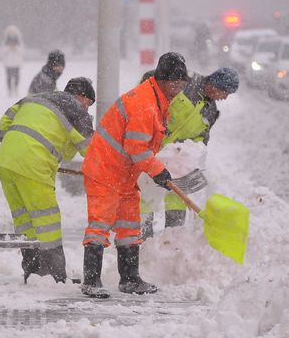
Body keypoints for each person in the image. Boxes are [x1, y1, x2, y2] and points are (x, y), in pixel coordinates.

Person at [80, 52, 189, 299]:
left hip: (124, 174)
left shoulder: (157, 99)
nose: (179, 88)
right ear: (161, 79)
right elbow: (136, 147)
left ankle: (130, 279)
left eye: (182, 83)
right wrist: (158, 171)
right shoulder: (144, 103)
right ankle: (91, 280)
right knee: (100, 225)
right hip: (105, 170)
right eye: (175, 82)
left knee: (130, 226)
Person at [0, 77, 96, 284]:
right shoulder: (75, 109)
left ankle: (33, 271)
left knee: (24, 218)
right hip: (34, 165)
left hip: (6, 160)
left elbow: (6, 119)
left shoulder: (37, 98)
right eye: (88, 103)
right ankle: (54, 275)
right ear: (81, 97)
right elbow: (91, 151)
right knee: (47, 220)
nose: (87, 108)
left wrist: (16, 145)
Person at [141, 67, 240, 235]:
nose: (225, 98)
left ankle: (174, 237)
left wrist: (190, 158)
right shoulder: (186, 82)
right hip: (151, 149)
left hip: (176, 160)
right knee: (146, 193)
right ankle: (141, 235)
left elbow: (201, 140)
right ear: (215, 85)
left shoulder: (210, 111)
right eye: (225, 92)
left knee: (177, 198)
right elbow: (150, 79)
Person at [2, 25, 24, 96]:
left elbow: (22, 51)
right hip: (8, 64)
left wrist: (16, 48)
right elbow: (3, 51)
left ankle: (16, 89)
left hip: (16, 63)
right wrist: (9, 48)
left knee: (16, 78)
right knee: (9, 78)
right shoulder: (6, 41)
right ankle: (10, 91)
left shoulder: (19, 41)